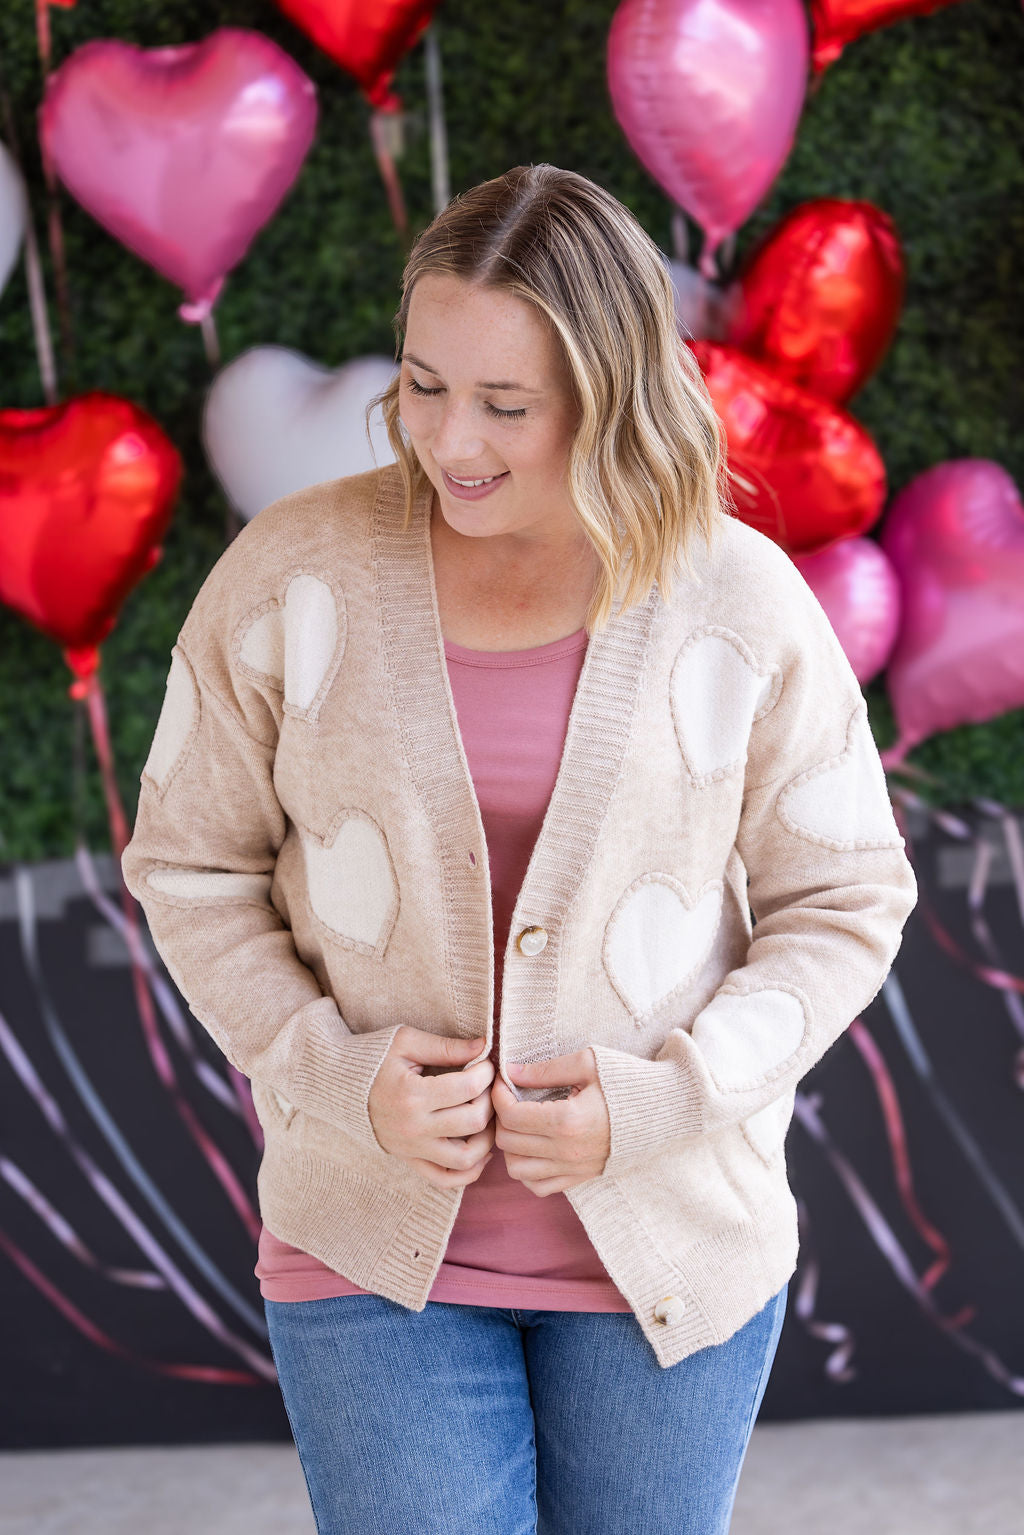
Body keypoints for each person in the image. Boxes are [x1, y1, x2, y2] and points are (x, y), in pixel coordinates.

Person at [120, 164, 918, 1534]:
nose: (451, 439)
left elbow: (846, 897)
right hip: (368, 1242)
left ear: (610, 395)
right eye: (425, 383)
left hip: (672, 1244)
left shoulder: (740, 598)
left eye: (507, 404)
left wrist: (667, 1098)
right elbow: (188, 868)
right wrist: (333, 1071)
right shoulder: (292, 573)